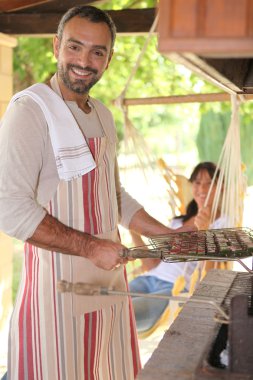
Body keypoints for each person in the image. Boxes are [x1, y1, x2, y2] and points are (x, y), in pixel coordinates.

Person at [0, 6, 195, 380]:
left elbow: (112, 194)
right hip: (55, 297)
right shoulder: (30, 111)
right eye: (75, 47)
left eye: (97, 52)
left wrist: (166, 236)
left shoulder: (103, 115)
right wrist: (91, 248)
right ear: (57, 46)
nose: (84, 61)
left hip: (109, 287)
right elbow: (10, 210)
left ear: (109, 59)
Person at [129, 162, 227, 335]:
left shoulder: (224, 224)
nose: (202, 188)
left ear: (222, 188)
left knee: (124, 317)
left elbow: (211, 273)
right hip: (148, 280)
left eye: (210, 183)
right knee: (105, 305)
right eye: (197, 182)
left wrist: (205, 231)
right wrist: (133, 230)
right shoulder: (176, 223)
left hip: (175, 289)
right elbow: (151, 265)